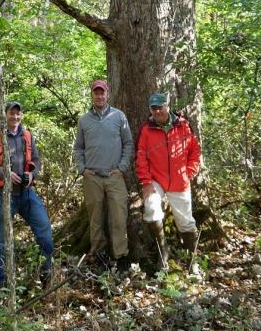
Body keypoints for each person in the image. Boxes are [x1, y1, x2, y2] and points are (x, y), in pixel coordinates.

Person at [0, 101, 54, 292]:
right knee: (0, 240)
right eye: (11, 114)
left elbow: (36, 160)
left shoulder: (27, 135)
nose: (15, 117)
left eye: (18, 114)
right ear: (5, 115)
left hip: (26, 193)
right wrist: (3, 172)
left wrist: (32, 174)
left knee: (44, 230)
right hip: (2, 195)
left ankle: (47, 276)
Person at [135, 91, 201, 274]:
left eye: (160, 107)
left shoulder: (183, 126)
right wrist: (146, 182)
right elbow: (141, 156)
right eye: (154, 108)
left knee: (186, 222)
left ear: (167, 106)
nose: (157, 111)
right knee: (151, 209)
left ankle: (192, 262)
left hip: (180, 181)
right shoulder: (147, 130)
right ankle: (162, 253)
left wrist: (189, 172)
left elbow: (194, 151)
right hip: (156, 180)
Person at [74, 79, 133, 272]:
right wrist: (82, 169)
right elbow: (79, 147)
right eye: (96, 93)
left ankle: (121, 256)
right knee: (95, 218)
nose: (99, 96)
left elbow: (128, 143)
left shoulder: (118, 116)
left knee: (118, 216)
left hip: (115, 176)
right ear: (92, 95)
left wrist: (122, 167)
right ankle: (98, 253)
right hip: (92, 177)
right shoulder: (84, 120)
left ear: (107, 94)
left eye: (102, 93)